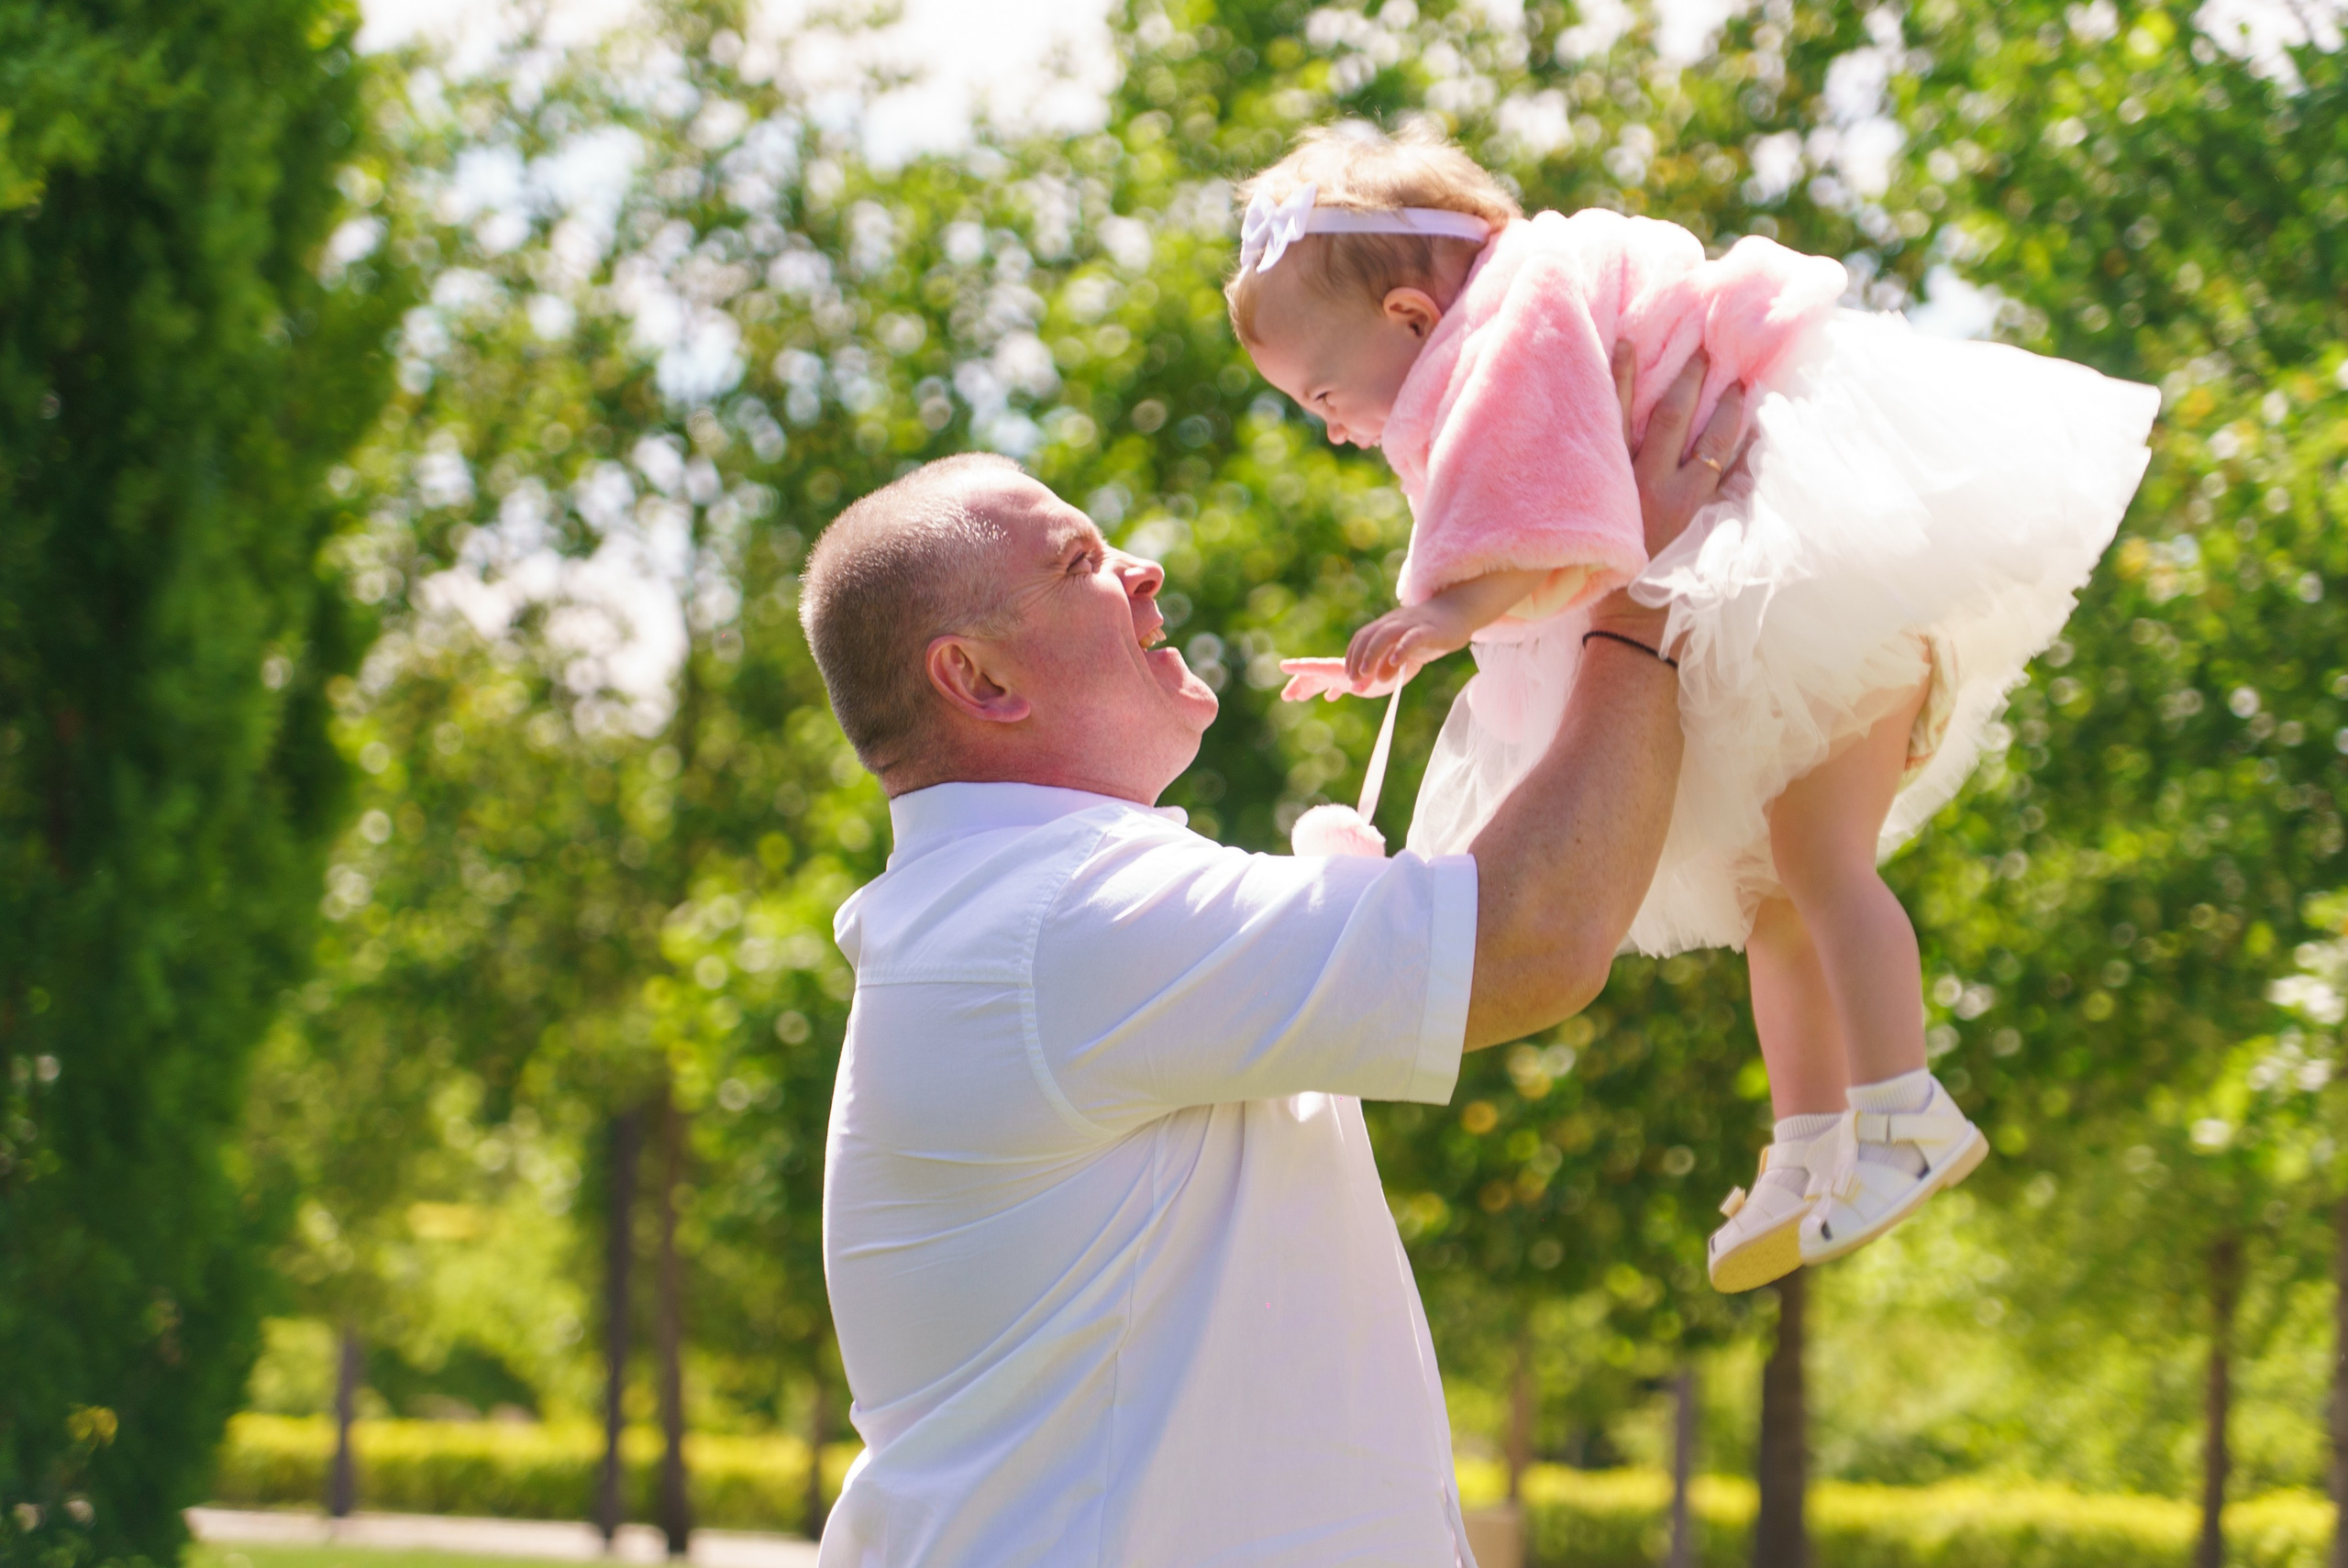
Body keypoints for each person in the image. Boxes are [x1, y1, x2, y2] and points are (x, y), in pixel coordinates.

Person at [795, 351, 1738, 1566]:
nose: (1143, 568)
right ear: (974, 676)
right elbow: (1527, 939)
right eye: (1079, 562)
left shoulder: (1016, 911)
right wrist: (1642, 589)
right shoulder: (1063, 916)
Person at [1231, 124, 2160, 1292]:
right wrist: (1439, 626)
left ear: (1414, 317)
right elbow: (1562, 528)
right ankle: (1813, 1145)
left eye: (1321, 391)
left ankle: (1904, 1109)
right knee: (1778, 892)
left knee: (1820, 867)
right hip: (1782, 597)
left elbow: (1562, 509)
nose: (1329, 425)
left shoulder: (1514, 332)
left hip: (1807, 579)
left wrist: (1446, 614)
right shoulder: (1515, 327)